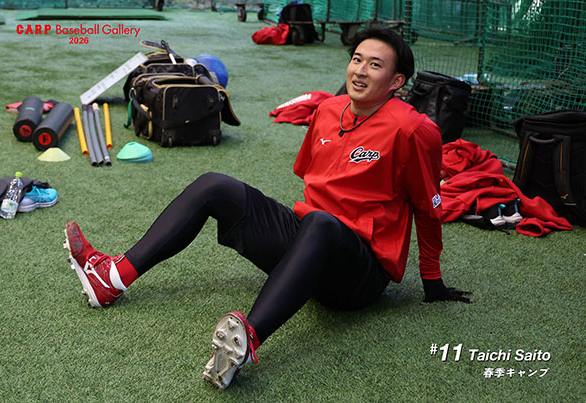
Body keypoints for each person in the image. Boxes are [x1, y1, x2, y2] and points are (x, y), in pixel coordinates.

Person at [63, 27, 472, 390]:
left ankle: (245, 344)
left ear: (397, 81)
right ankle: (111, 278)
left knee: (322, 223)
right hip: (309, 241)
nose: (360, 71)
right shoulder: (328, 111)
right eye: (356, 59)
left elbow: (428, 208)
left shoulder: (414, 129)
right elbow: (312, 181)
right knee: (215, 185)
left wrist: (432, 280)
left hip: (359, 272)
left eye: (375, 65)